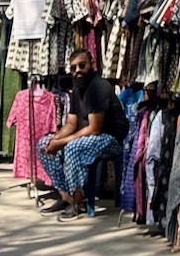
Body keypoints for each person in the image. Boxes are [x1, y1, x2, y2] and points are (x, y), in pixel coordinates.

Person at [37, 49, 126, 221]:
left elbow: (95, 129)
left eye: (82, 65)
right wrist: (54, 140)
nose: (78, 70)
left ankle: (79, 202)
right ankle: (66, 197)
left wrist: (61, 143)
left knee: (72, 147)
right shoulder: (77, 89)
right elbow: (71, 123)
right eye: (73, 68)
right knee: (43, 144)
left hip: (111, 138)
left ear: (91, 65)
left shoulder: (98, 87)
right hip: (90, 137)